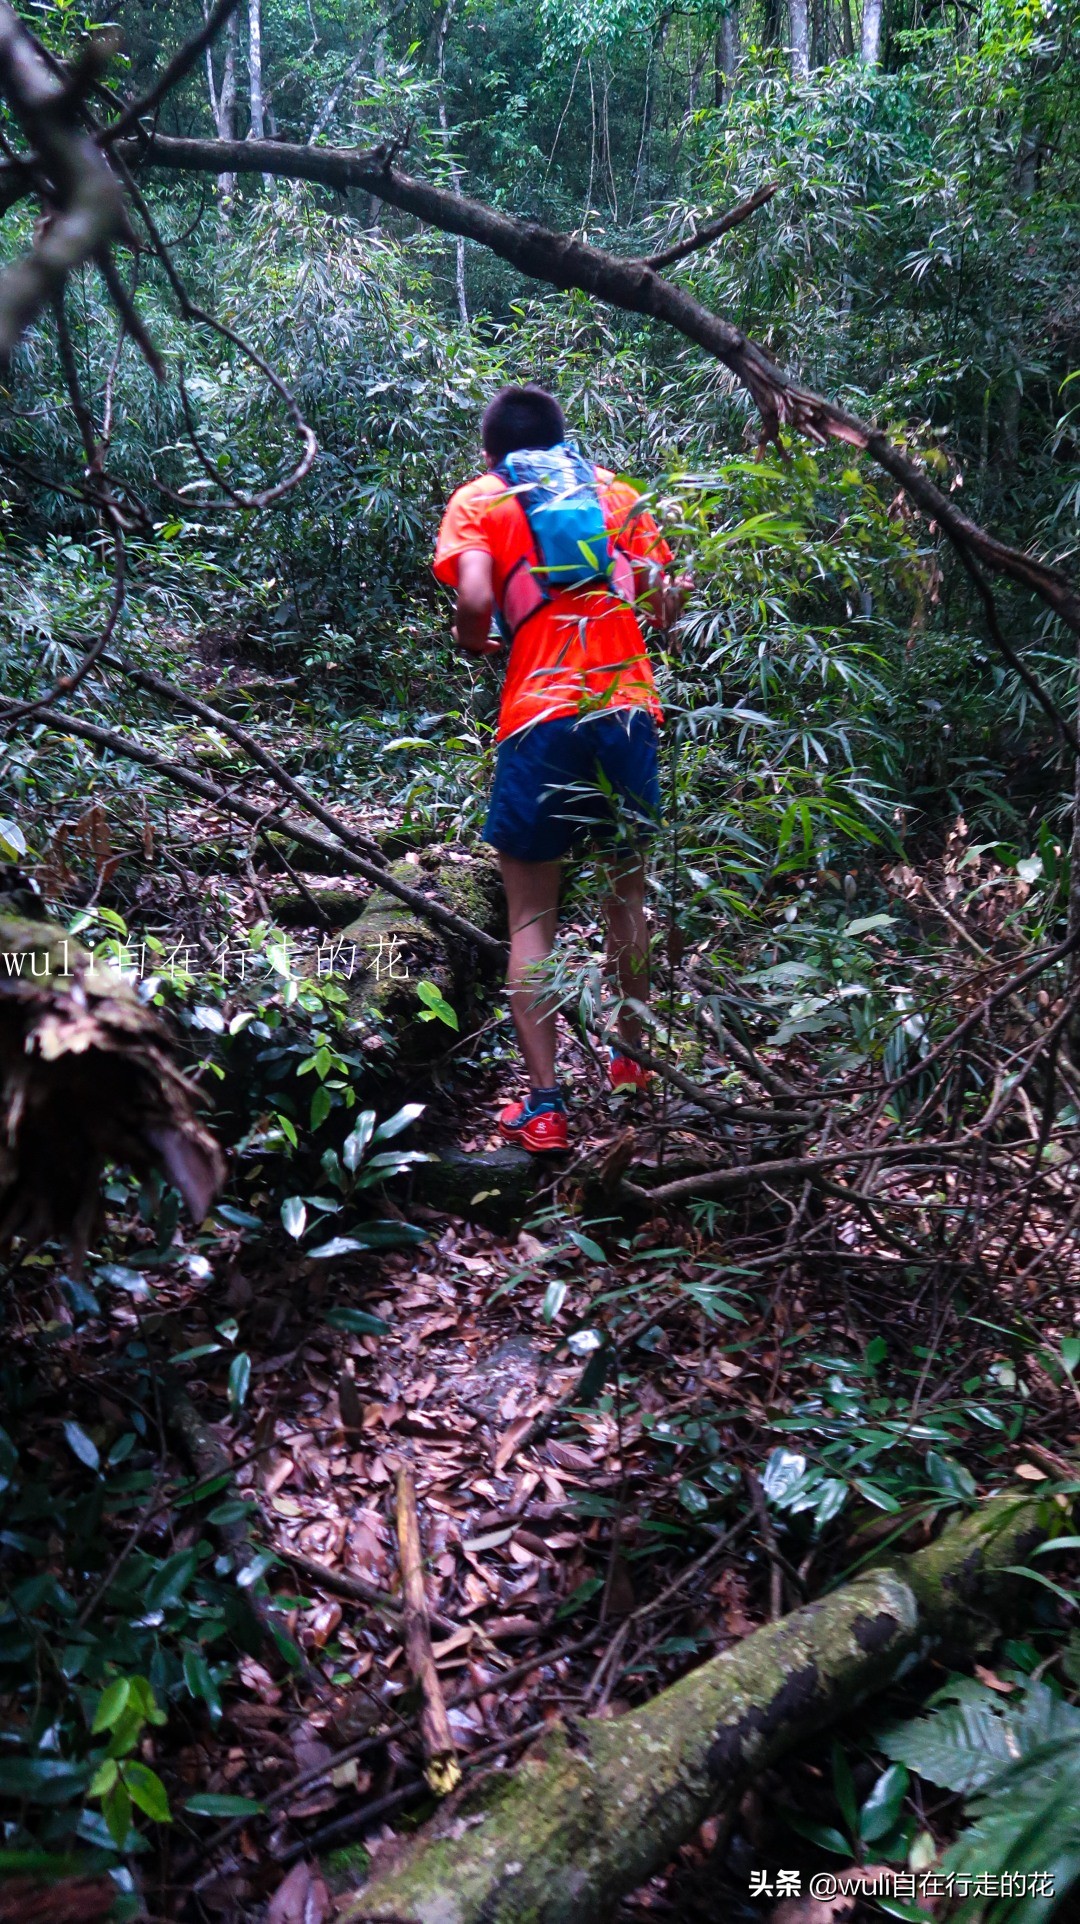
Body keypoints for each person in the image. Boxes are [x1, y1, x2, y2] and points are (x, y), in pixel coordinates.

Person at [433, 384, 690, 1153]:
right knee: (627, 898)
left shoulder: (482, 498)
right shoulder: (614, 493)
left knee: (531, 918)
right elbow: (667, 598)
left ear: (492, 451)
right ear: (561, 439)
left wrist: (475, 638)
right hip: (625, 710)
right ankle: (632, 1065)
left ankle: (545, 1106)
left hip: (542, 717)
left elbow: (476, 594)